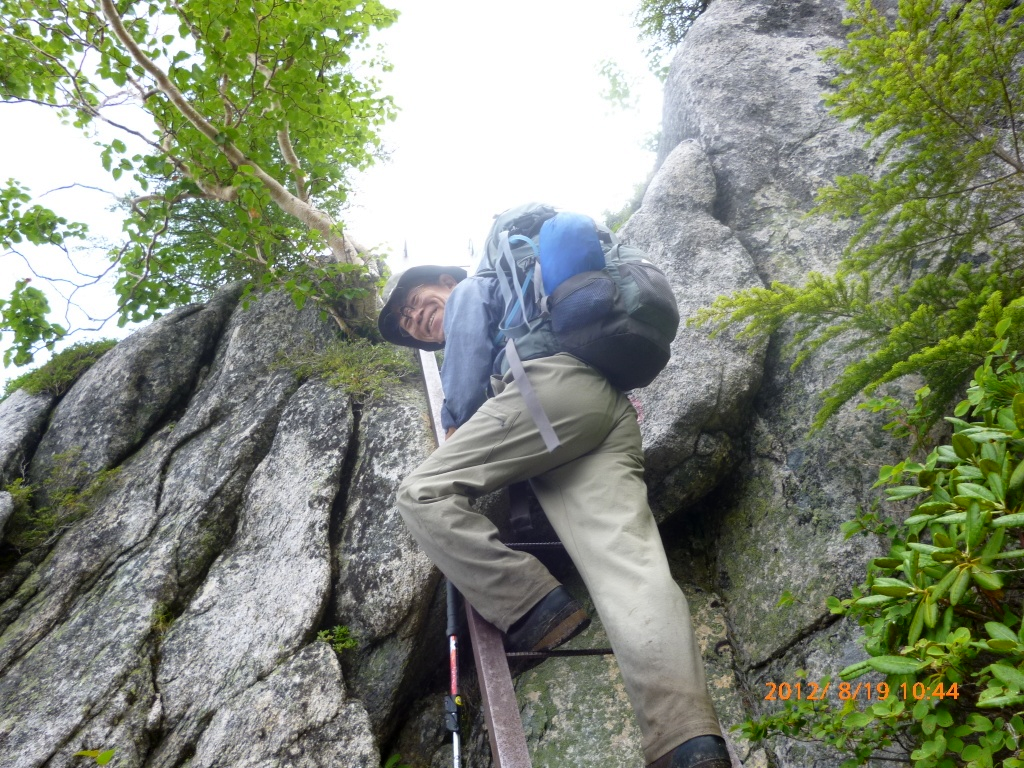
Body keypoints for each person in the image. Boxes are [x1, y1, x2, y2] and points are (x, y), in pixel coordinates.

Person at [379, 254, 731, 768]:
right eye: (409, 323)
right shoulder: (519, 308)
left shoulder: (471, 290)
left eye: (415, 302)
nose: (416, 319)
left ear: (445, 280)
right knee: (630, 572)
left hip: (547, 394)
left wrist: (455, 422)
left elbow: (471, 336)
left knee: (420, 493)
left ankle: (532, 606)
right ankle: (687, 740)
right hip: (603, 415)